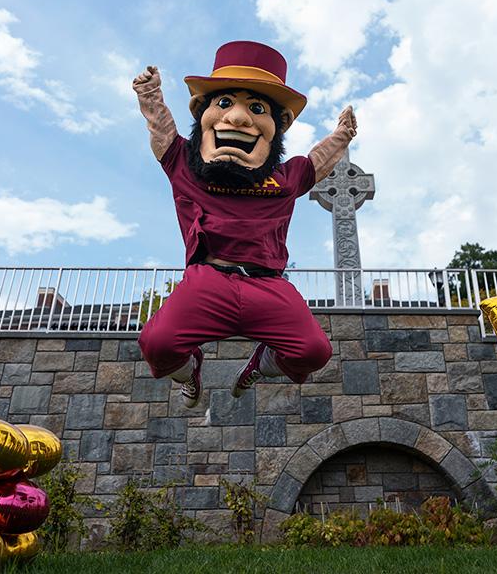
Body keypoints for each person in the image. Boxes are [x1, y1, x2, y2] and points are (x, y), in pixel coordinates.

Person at [133, 40, 357, 408]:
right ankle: (190, 370)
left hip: (267, 285)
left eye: (256, 108)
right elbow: (160, 130)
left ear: (277, 126)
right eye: (224, 103)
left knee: (313, 351)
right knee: (157, 344)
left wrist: (343, 135)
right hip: (208, 282)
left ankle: (260, 364)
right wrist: (150, 94)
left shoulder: (286, 177)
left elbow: (319, 158)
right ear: (202, 113)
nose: (237, 118)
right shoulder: (184, 165)